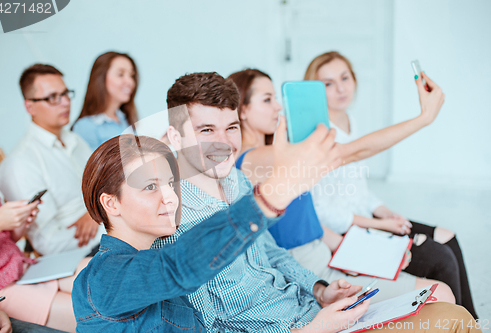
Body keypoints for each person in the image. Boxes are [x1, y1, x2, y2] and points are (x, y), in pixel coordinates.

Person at [152, 72, 459, 332]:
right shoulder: (173, 216)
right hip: (304, 323)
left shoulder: (237, 182)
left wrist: (320, 289)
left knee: (449, 308)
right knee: (447, 310)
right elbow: (215, 321)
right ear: (175, 137)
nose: (223, 141)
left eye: (230, 128)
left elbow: (272, 252)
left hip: (308, 303)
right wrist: (424, 118)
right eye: (206, 130)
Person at [72, 128, 355, 332]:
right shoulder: (102, 278)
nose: (170, 196)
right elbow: (177, 266)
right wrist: (276, 192)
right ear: (111, 203)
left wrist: (317, 302)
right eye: (150, 187)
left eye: (171, 183)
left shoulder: (162, 248)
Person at [229, 68, 453, 304]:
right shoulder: (253, 159)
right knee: (440, 291)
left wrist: (358, 252)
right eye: (267, 100)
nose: (278, 107)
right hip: (311, 273)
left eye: (276, 98)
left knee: (435, 266)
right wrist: (423, 118)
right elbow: (354, 151)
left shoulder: (274, 156)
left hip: (325, 255)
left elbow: (305, 221)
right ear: (242, 110)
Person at [304, 51, 477, 318]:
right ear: (313, 91)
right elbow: (325, 214)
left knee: (447, 236)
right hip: (349, 231)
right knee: (440, 258)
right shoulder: (316, 136)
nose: (340, 88)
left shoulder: (351, 122)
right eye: (328, 83)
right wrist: (381, 224)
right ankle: (455, 321)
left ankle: (471, 322)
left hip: (368, 219)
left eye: (345, 78)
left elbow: (359, 190)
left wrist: (384, 210)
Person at [0, 64, 104, 256]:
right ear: (30, 106)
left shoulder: (74, 139)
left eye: (66, 93)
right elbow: (48, 242)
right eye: (53, 97)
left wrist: (96, 214)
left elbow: (105, 183)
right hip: (83, 250)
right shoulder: (21, 163)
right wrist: (106, 220)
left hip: (105, 221)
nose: (65, 102)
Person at [0, 175, 89, 332]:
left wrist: (18, 223)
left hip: (23, 266)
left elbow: (4, 239)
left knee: (107, 274)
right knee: (96, 313)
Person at [72, 52, 139, 150]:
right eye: (120, 74)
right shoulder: (85, 127)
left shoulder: (126, 119)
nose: (130, 82)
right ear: (101, 78)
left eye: (131, 75)